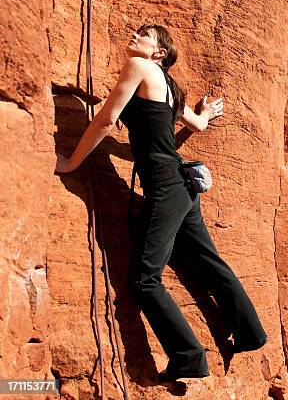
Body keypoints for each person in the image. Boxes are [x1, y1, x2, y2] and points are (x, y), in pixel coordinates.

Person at [55, 24, 268, 382]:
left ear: (157, 52)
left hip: (167, 187)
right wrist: (206, 113)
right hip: (183, 186)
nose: (135, 35)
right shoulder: (170, 86)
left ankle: (189, 356)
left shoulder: (139, 68)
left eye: (145, 35)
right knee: (208, 262)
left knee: (144, 279)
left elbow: (107, 119)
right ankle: (251, 333)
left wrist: (71, 163)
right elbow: (196, 124)